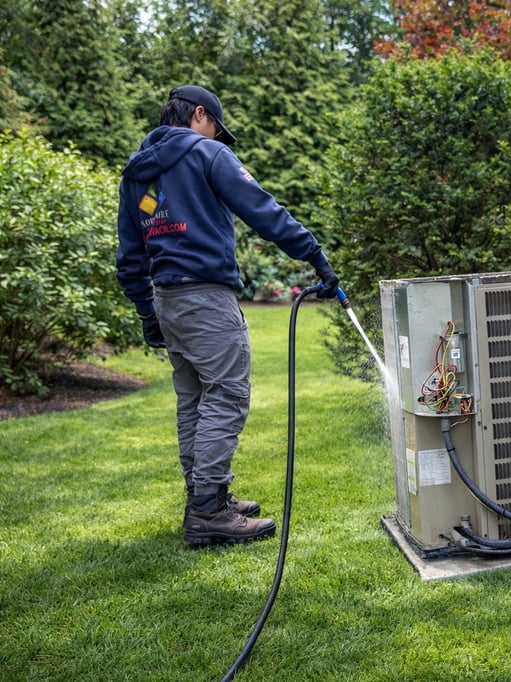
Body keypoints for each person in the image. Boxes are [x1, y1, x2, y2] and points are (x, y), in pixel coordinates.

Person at [116, 85, 340, 547]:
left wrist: (146, 313)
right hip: (206, 297)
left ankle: (204, 496)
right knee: (227, 393)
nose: (217, 136)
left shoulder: (136, 173)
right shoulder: (207, 155)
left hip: (168, 298)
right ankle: (208, 512)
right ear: (200, 114)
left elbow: (129, 255)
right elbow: (264, 211)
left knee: (194, 399)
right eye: (217, 126)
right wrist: (315, 256)